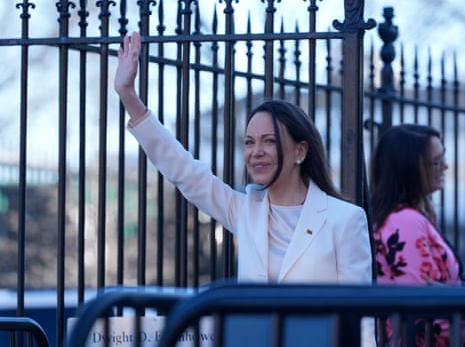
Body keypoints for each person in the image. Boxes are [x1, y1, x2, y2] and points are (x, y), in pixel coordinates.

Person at [114, 31, 375, 345]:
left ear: (300, 151)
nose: (257, 152)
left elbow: (362, 321)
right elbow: (184, 171)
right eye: (249, 142)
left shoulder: (345, 219)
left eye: (269, 141)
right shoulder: (245, 209)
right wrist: (129, 94)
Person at [370, 124, 464, 346]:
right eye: (436, 161)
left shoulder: (403, 218)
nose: (445, 166)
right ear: (408, 168)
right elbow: (424, 304)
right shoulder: (404, 221)